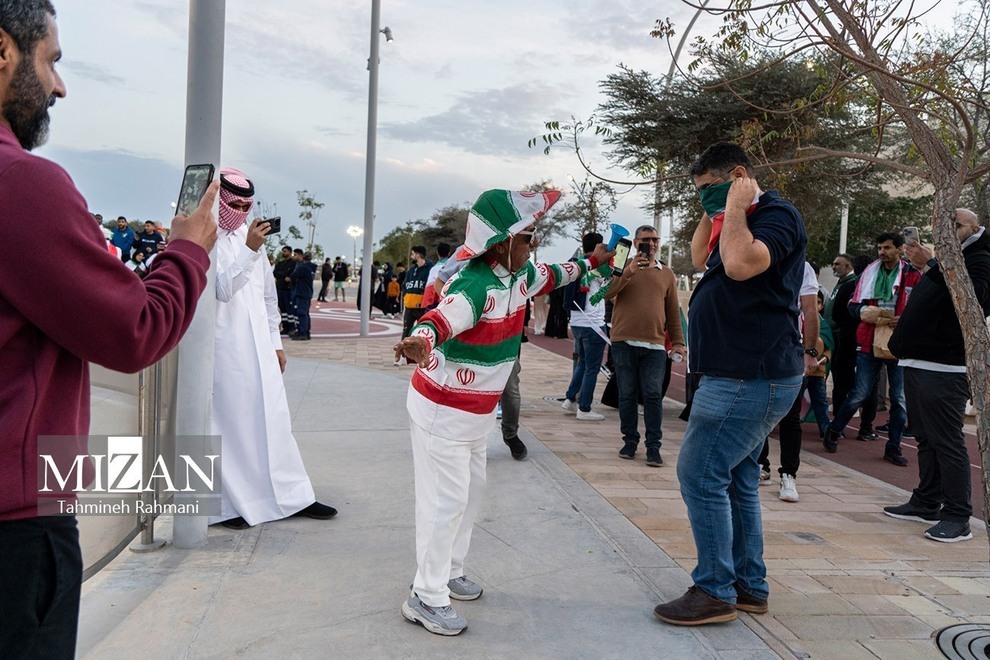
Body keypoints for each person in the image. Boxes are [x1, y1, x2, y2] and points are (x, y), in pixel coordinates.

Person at [0, 3, 218, 655]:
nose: (60, 87)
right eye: (52, 60)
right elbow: (134, 332)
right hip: (15, 536)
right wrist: (188, 250)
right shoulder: (20, 184)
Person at [393, 189, 613, 636]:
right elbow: (441, 318)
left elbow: (556, 274)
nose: (533, 245)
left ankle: (449, 571)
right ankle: (425, 595)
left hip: (474, 415)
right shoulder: (475, 283)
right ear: (500, 241)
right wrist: (421, 340)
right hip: (443, 410)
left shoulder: (520, 274)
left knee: (470, 494)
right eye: (528, 237)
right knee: (445, 502)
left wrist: (596, 261)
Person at [653, 142, 809, 626]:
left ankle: (714, 590)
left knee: (700, 475)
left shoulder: (776, 215)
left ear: (738, 175)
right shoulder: (735, 217)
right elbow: (704, 258)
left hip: (749, 376)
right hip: (738, 374)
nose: (702, 199)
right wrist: (719, 210)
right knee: (738, 479)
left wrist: (737, 204)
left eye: (707, 189)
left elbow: (741, 264)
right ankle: (747, 585)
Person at [208, 168, 336, 530]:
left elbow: (267, 299)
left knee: (273, 419)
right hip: (225, 347)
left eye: (248, 205)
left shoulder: (252, 243)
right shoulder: (206, 238)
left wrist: (276, 343)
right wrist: (249, 249)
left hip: (261, 349)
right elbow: (221, 289)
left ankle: (292, 496)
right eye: (234, 204)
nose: (243, 212)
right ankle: (226, 508)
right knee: (230, 424)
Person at [884, 209, 990, 542]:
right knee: (926, 438)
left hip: (944, 367)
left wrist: (930, 264)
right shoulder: (953, 257)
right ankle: (927, 501)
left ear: (974, 228)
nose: (948, 231)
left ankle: (958, 515)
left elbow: (974, 301)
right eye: (943, 225)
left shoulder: (981, 257)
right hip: (920, 362)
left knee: (946, 440)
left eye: (955, 226)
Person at [822, 232, 921, 465]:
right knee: (860, 393)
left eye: (887, 248)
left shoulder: (912, 275)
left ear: (899, 249)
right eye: (879, 248)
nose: (882, 252)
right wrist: (863, 313)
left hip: (899, 344)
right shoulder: (868, 273)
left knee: (899, 398)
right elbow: (852, 305)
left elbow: (921, 307)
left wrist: (904, 318)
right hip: (869, 340)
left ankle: (893, 447)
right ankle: (834, 430)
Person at [604, 226, 686, 466]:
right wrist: (629, 270)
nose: (650, 244)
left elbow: (673, 311)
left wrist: (678, 343)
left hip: (655, 346)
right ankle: (630, 442)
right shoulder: (622, 265)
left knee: (652, 395)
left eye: (654, 240)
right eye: (645, 240)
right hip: (623, 342)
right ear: (636, 242)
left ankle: (653, 447)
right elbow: (608, 292)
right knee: (627, 395)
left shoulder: (667, 273)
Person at [757, 262, 823, 502]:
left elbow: (810, 311)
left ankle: (789, 475)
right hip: (755, 350)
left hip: (788, 352)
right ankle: (760, 465)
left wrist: (811, 352)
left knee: (790, 417)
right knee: (758, 412)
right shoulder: (754, 256)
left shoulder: (801, 267)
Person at [824, 253, 877, 440]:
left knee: (855, 385)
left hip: (856, 341)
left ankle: (841, 426)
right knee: (860, 385)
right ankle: (861, 427)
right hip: (854, 340)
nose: (834, 267)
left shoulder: (854, 286)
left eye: (838, 264)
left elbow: (839, 312)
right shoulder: (850, 286)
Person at [560, 232, 612, 421]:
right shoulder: (598, 266)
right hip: (594, 323)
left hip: (576, 321)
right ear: (599, 246)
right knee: (592, 367)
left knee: (582, 363)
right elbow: (607, 290)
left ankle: (570, 399)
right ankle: (585, 408)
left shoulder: (578, 264)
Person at [401, 246, 433, 339]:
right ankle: (403, 352)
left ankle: (421, 352)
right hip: (409, 307)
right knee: (406, 330)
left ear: (418, 255)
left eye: (412, 254)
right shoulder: (411, 270)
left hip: (422, 307)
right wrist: (405, 297)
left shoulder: (430, 269)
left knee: (422, 331)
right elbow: (404, 285)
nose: (411, 256)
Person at [290, 251, 316, 340]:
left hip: (301, 292)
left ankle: (303, 332)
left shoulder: (303, 267)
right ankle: (306, 332)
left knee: (301, 313)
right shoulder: (312, 268)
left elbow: (293, 276)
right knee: (306, 313)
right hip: (308, 292)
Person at [272, 245, 296, 334]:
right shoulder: (280, 263)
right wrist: (283, 274)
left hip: (288, 289)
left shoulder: (293, 263)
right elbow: (275, 273)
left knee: (289, 309)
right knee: (282, 309)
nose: (283, 253)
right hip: (279, 288)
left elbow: (291, 273)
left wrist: (283, 274)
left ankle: (291, 327)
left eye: (285, 251)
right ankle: (285, 327)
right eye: (282, 251)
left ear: (290, 252)